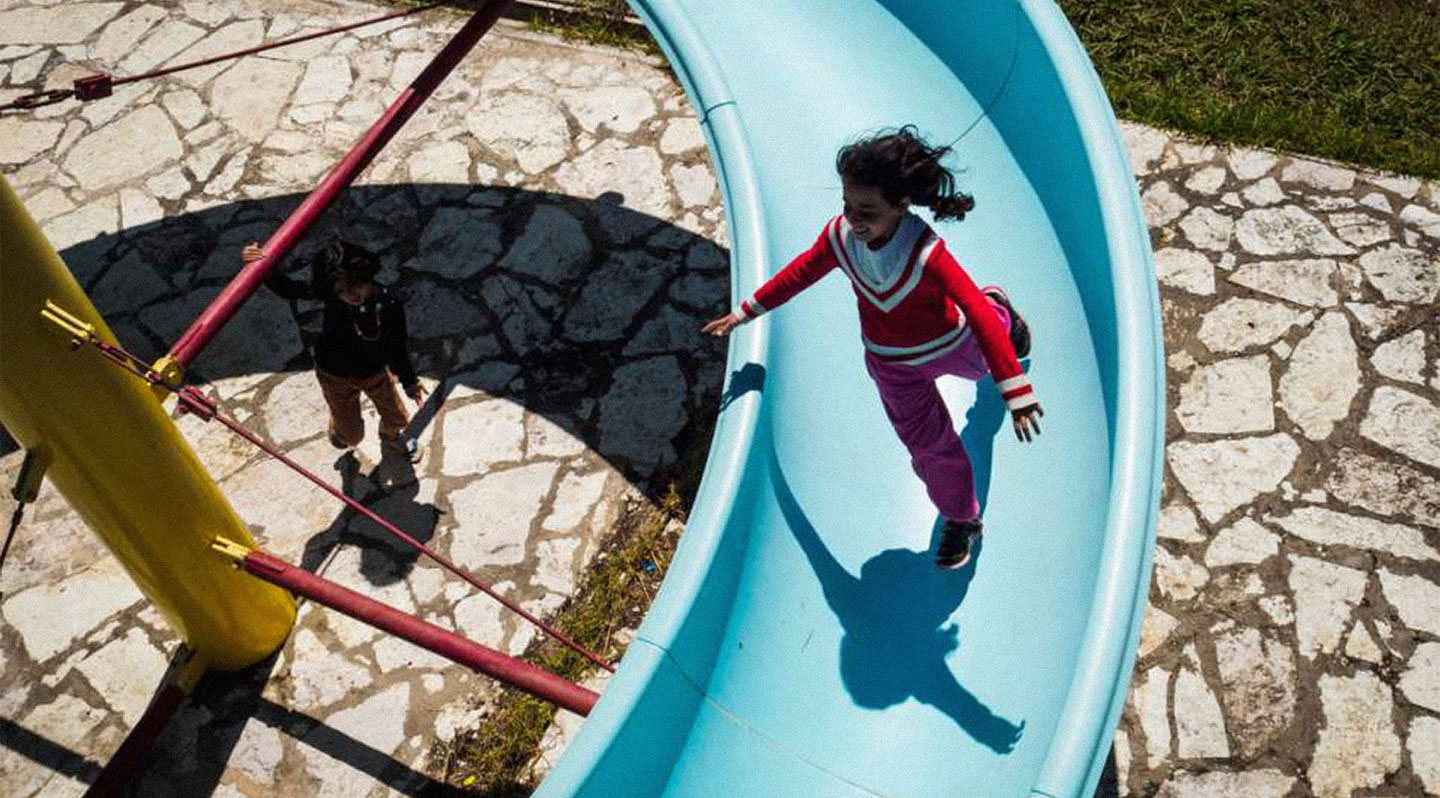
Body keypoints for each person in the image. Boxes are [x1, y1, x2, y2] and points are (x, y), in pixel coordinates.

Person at [703, 126, 1043, 570]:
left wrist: (1015, 390)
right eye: (847, 204)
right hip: (892, 365)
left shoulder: (925, 252)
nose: (854, 219)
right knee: (929, 448)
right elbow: (801, 273)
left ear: (902, 204)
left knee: (986, 344)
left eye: (867, 210)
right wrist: (746, 310)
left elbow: (972, 312)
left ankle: (1006, 313)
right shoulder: (841, 238)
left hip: (952, 341)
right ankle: (962, 518)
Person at [244, 239, 426, 460]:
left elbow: (396, 347)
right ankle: (339, 424)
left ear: (364, 274)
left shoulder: (388, 306)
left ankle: (390, 437)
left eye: (355, 284)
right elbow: (290, 289)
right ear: (331, 289)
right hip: (335, 375)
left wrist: (409, 380)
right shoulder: (331, 296)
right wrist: (262, 266)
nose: (351, 294)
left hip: (375, 373)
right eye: (341, 290)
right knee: (351, 437)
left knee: (396, 418)